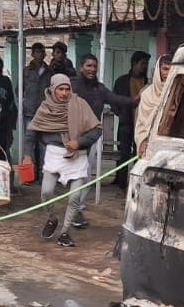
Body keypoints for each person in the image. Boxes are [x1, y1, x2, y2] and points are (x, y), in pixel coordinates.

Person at [28, 74, 100, 248]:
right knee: (46, 191)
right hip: (54, 154)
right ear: (53, 89)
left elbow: (96, 130)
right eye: (60, 89)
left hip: (77, 155)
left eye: (67, 89)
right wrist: (27, 154)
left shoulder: (80, 105)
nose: (64, 93)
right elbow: (31, 133)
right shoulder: (45, 108)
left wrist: (79, 142)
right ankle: (52, 219)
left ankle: (65, 232)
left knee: (75, 197)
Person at [70, 53, 134, 220]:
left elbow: (116, 99)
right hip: (70, 137)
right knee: (69, 176)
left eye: (94, 66)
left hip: (90, 138)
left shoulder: (100, 89)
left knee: (85, 175)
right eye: (88, 66)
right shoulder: (72, 86)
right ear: (81, 67)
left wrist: (135, 101)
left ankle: (77, 210)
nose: (91, 69)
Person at [110, 50, 151, 188]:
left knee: (140, 153)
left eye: (146, 64)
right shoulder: (121, 81)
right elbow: (113, 101)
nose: (145, 67)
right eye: (143, 63)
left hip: (143, 125)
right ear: (134, 63)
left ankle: (137, 182)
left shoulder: (148, 83)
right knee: (123, 153)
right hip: (126, 123)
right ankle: (121, 181)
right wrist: (120, 114)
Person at [133, 54, 172, 156]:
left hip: (171, 146)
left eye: (172, 70)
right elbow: (141, 123)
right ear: (158, 70)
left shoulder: (178, 93)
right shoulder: (146, 94)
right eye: (165, 69)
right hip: (149, 146)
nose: (168, 73)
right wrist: (142, 142)